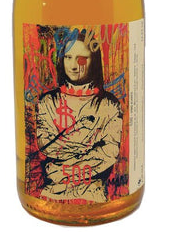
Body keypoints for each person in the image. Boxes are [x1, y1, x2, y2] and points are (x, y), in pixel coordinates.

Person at [35, 29, 123, 202]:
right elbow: (45, 144)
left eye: (82, 58)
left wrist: (63, 169)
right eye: (68, 57)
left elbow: (109, 152)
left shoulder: (109, 104)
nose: (74, 66)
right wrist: (87, 148)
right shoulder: (48, 101)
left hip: (94, 194)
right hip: (51, 192)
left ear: (94, 61)